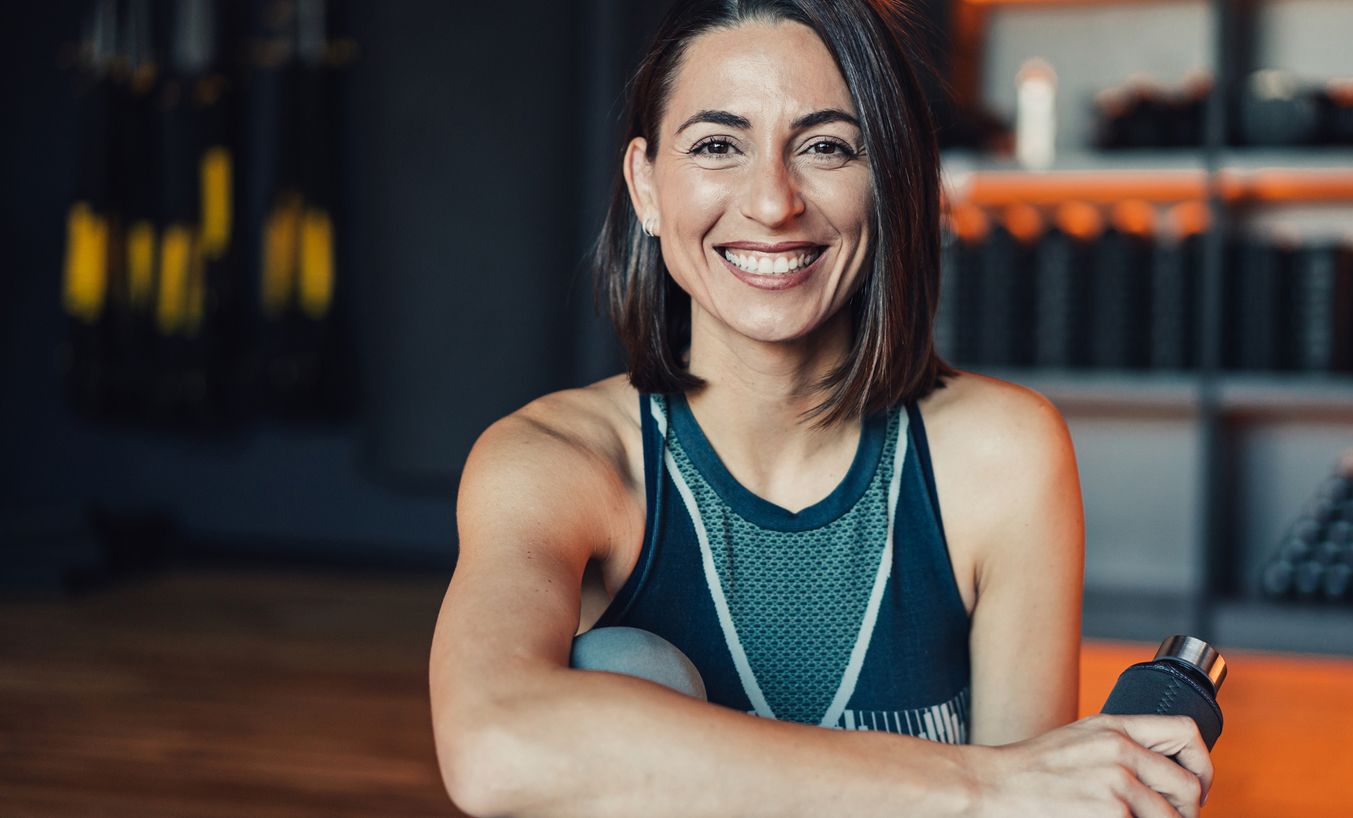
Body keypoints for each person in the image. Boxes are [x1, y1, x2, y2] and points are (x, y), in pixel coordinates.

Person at [428, 1, 1213, 815]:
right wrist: (988, 782)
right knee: (626, 670)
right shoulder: (555, 461)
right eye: (716, 146)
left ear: (891, 182)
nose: (773, 202)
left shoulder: (1002, 454)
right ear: (647, 187)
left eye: (826, 147)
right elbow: (495, 745)